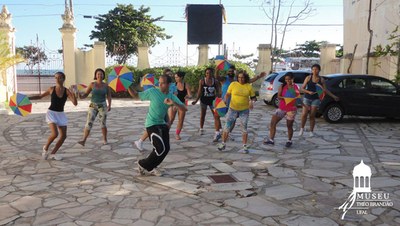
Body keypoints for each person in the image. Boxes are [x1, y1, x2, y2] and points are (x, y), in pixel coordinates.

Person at [128, 74, 187, 176]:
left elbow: (184, 109)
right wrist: (128, 86)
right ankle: (142, 163)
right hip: (152, 124)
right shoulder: (152, 92)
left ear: (169, 84)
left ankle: (150, 166)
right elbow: (136, 95)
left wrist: (173, 103)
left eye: (162, 83)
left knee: (166, 149)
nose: (160, 85)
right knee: (160, 148)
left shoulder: (171, 96)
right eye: (159, 82)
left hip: (162, 124)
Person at [30, 71, 77, 160]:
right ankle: (45, 147)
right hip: (51, 113)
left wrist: (74, 93)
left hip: (61, 114)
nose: (57, 79)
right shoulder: (51, 89)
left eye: (59, 77)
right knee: (55, 134)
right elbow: (40, 96)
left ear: (63, 79)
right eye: (56, 77)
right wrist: (28, 98)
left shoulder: (67, 91)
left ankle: (53, 153)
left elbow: (75, 103)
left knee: (63, 136)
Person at [134, 68, 176, 151]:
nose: (170, 75)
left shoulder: (173, 85)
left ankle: (161, 139)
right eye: (168, 74)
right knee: (157, 124)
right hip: (160, 107)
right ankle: (142, 141)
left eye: (171, 74)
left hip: (169, 106)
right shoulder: (158, 84)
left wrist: (174, 103)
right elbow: (157, 92)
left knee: (168, 122)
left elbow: (174, 94)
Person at [217, 71, 257, 152]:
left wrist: (252, 102)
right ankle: (223, 144)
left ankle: (244, 146)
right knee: (227, 126)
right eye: (239, 77)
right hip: (233, 109)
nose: (241, 79)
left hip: (244, 111)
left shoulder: (248, 86)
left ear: (245, 78)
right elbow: (228, 94)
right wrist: (225, 99)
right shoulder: (233, 84)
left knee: (244, 128)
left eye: (242, 77)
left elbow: (254, 97)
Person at [298, 64, 339, 137]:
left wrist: (333, 96)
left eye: (316, 69)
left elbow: (325, 90)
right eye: (313, 69)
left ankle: (311, 131)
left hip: (316, 99)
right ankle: (302, 129)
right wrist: (308, 92)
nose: (314, 71)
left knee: (312, 115)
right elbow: (302, 88)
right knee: (304, 114)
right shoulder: (308, 78)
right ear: (311, 70)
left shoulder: (321, 79)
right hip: (307, 98)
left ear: (319, 70)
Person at [78, 68, 112, 146]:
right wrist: (80, 96)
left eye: (101, 74)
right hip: (92, 105)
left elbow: (109, 96)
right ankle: (83, 140)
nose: (99, 75)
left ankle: (105, 139)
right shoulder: (92, 84)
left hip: (102, 106)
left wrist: (109, 105)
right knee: (89, 123)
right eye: (98, 74)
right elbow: (86, 94)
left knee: (103, 123)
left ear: (103, 75)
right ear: (95, 76)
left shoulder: (106, 85)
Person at [264, 72, 298, 147]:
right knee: (273, 122)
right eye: (286, 79)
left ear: (293, 79)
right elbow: (279, 96)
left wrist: (303, 105)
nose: (288, 81)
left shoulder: (295, 87)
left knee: (289, 125)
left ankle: (289, 140)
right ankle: (271, 140)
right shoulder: (282, 86)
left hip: (291, 109)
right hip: (282, 108)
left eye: (289, 79)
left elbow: (296, 97)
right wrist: (284, 98)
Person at [192, 67, 222, 142]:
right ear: (205, 74)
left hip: (212, 101)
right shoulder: (202, 81)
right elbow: (199, 92)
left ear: (212, 73)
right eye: (207, 73)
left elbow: (218, 90)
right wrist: (196, 101)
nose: (208, 74)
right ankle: (201, 128)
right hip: (204, 100)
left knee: (216, 115)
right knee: (203, 114)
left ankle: (219, 129)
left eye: (210, 73)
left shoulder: (215, 81)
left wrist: (219, 97)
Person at [169, 71, 192, 140]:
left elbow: (190, 95)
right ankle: (165, 132)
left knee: (181, 120)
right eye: (175, 77)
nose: (175, 78)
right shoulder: (173, 85)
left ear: (181, 77)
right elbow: (169, 95)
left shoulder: (186, 85)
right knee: (171, 119)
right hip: (173, 104)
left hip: (182, 104)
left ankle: (177, 134)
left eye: (177, 77)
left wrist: (188, 96)